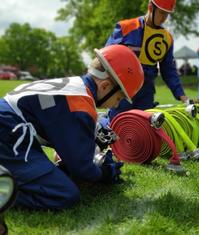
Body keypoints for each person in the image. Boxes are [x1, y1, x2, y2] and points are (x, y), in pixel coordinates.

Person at [0, 45, 144, 210]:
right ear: (105, 86)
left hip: (11, 126)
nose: (116, 105)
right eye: (119, 98)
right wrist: (105, 173)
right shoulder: (80, 105)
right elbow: (83, 168)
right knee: (63, 194)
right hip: (8, 131)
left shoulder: (75, 86)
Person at [105, 0, 188, 120]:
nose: (164, 18)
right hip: (123, 89)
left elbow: (168, 70)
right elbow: (107, 57)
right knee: (116, 125)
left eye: (167, 14)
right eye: (161, 13)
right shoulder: (125, 27)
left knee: (143, 128)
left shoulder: (167, 39)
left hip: (147, 91)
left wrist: (182, 95)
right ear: (150, 7)